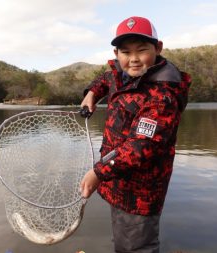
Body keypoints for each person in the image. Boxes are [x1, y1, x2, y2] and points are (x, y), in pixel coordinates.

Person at [79, 16, 191, 253]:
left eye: (142, 50)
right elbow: (106, 77)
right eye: (126, 52)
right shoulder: (121, 74)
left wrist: (98, 173)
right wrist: (91, 94)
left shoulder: (163, 95)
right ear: (117, 53)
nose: (134, 59)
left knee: (137, 246)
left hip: (141, 193)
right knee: (123, 241)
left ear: (158, 48)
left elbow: (140, 148)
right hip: (117, 181)